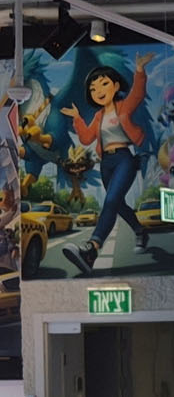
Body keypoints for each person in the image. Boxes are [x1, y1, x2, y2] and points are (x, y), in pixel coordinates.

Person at [60, 51, 156, 276]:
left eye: (103, 84)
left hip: (124, 158)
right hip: (106, 163)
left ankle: (92, 249)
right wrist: (77, 118)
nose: (99, 91)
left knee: (111, 200)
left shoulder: (124, 106)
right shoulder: (98, 116)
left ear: (115, 85)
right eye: (93, 89)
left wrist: (139, 70)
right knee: (117, 203)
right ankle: (140, 230)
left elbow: (138, 93)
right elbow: (86, 139)